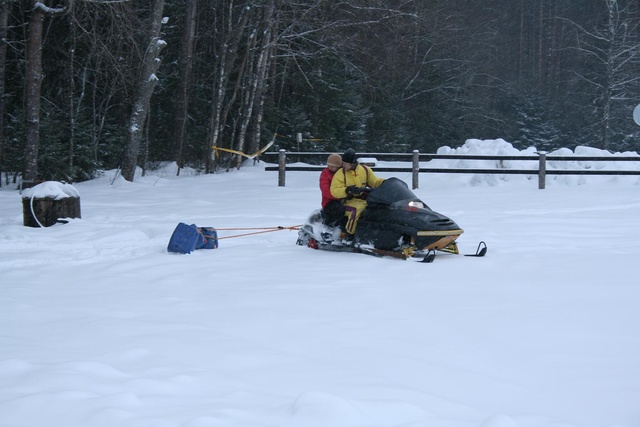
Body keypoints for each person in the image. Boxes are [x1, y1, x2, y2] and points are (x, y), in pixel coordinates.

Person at [330, 148, 384, 242]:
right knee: (357, 209)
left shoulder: (365, 170)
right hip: (348, 201)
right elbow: (334, 190)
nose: (342, 165)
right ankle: (349, 235)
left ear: (352, 163)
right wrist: (347, 190)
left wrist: (385, 182)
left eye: (345, 163)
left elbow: (374, 182)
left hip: (365, 200)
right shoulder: (341, 173)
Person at [319, 153, 345, 227]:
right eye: (330, 166)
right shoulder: (325, 174)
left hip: (344, 199)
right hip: (329, 201)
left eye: (334, 167)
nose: (332, 168)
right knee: (338, 209)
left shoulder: (343, 173)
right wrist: (341, 195)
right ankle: (327, 227)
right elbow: (325, 190)